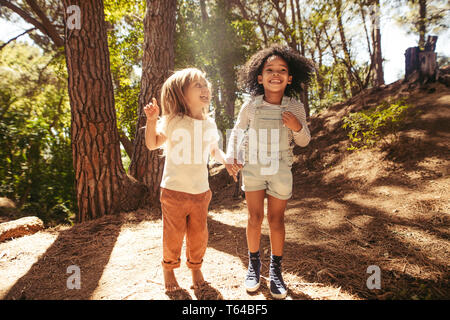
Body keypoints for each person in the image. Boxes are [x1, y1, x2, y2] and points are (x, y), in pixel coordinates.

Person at [225, 44, 314, 299]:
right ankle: (254, 266)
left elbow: (304, 141)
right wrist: (233, 157)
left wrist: (297, 127)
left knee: (276, 220)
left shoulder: (295, 107)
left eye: (282, 70)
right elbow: (238, 132)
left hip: (281, 168)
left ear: (290, 78)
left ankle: (276, 269)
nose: (276, 74)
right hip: (253, 167)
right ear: (260, 77)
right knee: (254, 217)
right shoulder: (251, 106)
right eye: (270, 70)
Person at [144, 68, 227, 292]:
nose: (205, 88)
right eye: (197, 85)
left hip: (201, 192)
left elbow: (214, 151)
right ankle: (169, 269)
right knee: (173, 236)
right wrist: (152, 120)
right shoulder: (173, 121)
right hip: (173, 191)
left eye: (205, 84)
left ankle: (196, 267)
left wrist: (227, 160)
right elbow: (152, 144)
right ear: (182, 94)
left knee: (199, 235)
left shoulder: (210, 124)